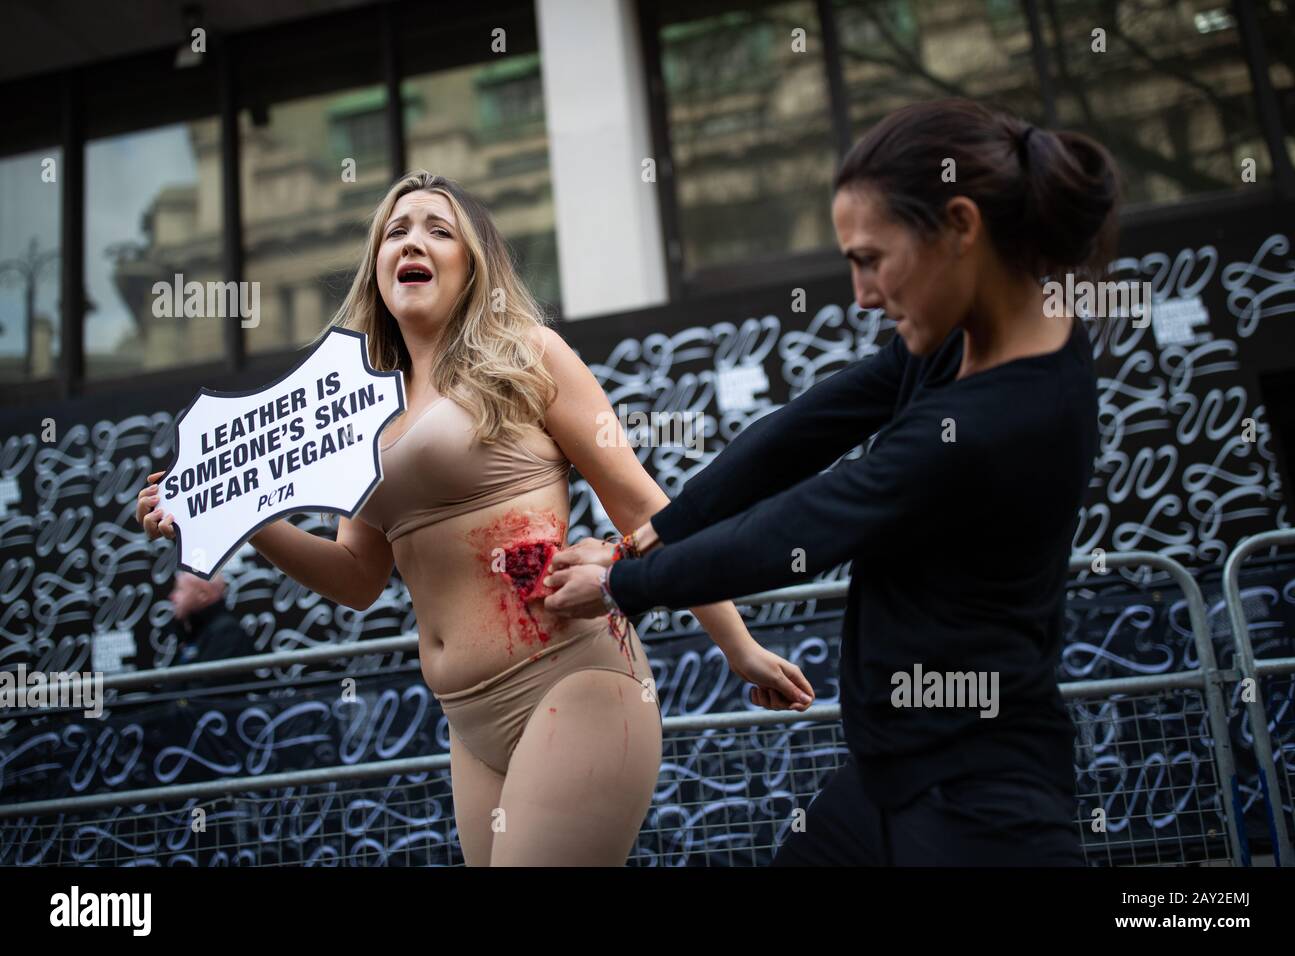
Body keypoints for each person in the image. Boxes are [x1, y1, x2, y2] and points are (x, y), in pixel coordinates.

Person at [136, 171, 814, 866]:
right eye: (395, 231)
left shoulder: (525, 355)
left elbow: (640, 503)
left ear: (473, 262)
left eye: (438, 229)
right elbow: (357, 578)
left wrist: (737, 645)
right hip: (469, 721)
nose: (412, 241)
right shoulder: (356, 410)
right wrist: (244, 516)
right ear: (377, 266)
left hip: (572, 678)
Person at [544, 98, 1118, 865]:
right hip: (890, 784)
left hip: (980, 806)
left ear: (960, 226)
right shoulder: (962, 339)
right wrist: (664, 528)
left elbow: (804, 527)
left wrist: (626, 581)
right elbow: (805, 429)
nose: (862, 294)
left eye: (870, 258)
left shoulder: (1008, 414)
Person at [166, 571, 253, 667]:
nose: (172, 597)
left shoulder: (227, 633)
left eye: (179, 589)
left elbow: (211, 680)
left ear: (203, 595)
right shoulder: (193, 631)